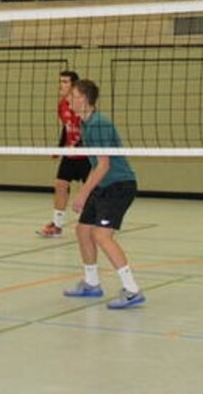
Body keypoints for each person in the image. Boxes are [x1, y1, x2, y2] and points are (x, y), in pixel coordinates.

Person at [63, 79, 144, 309]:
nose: (69, 100)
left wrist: (82, 194)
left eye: (73, 95)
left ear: (84, 99)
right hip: (104, 186)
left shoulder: (98, 123)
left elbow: (104, 164)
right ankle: (92, 284)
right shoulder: (85, 123)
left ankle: (132, 290)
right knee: (83, 230)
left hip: (119, 185)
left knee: (101, 235)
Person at [38, 71, 89, 238]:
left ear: (74, 85)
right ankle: (57, 225)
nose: (62, 85)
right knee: (60, 185)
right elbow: (66, 128)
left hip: (87, 154)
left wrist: (80, 145)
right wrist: (60, 148)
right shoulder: (62, 105)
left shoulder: (82, 105)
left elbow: (89, 128)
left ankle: (93, 223)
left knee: (91, 190)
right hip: (70, 153)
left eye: (66, 82)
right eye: (61, 81)